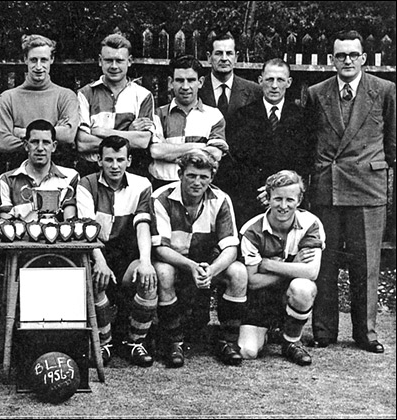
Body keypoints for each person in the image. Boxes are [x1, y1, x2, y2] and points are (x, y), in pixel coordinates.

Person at [307, 30, 396, 354]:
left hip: (367, 187)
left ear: (363, 58)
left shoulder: (385, 91)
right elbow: (309, 141)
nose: (346, 60)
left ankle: (366, 333)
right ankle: (324, 330)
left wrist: (376, 167)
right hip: (328, 188)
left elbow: (392, 142)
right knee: (325, 262)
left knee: (367, 265)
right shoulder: (317, 93)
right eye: (340, 55)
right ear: (332, 59)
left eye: (352, 55)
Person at [151, 149, 247, 368]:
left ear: (211, 178)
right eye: (191, 175)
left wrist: (211, 270)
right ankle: (173, 342)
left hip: (206, 265)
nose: (197, 182)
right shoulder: (161, 198)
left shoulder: (221, 199)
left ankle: (228, 341)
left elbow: (231, 247)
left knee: (238, 272)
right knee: (163, 272)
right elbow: (160, 249)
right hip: (176, 261)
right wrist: (191, 266)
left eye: (203, 177)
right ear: (180, 173)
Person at [76, 135, 157, 367]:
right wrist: (99, 261)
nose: (114, 166)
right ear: (98, 160)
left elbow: (143, 225)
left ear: (129, 161)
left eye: (120, 160)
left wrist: (145, 261)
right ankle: (104, 343)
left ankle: (134, 342)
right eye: (109, 160)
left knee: (147, 278)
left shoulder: (142, 184)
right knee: (96, 278)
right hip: (97, 249)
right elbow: (87, 228)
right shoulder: (86, 183)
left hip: (126, 251)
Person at [238, 170, 325, 366]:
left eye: (289, 200)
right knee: (247, 351)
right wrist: (294, 266)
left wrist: (270, 265)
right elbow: (252, 281)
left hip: (288, 292)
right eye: (277, 199)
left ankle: (291, 342)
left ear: (299, 200)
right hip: (259, 300)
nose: (283, 206)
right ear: (268, 199)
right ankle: (269, 331)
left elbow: (311, 272)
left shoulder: (311, 223)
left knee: (303, 287)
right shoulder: (251, 230)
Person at [215, 58, 313, 227]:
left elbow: (305, 162)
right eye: (269, 79)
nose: (274, 86)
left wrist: (277, 192)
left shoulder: (302, 118)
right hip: (251, 201)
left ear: (288, 82)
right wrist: (262, 192)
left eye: (280, 80)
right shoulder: (242, 116)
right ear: (260, 81)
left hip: (289, 201)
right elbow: (235, 163)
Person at [0, 34, 79, 171]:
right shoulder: (7, 98)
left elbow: (68, 135)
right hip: (17, 172)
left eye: (44, 60)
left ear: (51, 59)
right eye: (34, 60)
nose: (39, 67)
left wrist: (21, 132)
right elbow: (4, 143)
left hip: (59, 172)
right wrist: (51, 134)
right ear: (25, 60)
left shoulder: (65, 96)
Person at [75, 34, 155, 177]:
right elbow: (82, 143)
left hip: (130, 171)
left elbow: (143, 142)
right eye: (108, 60)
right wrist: (128, 134)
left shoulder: (143, 95)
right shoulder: (85, 94)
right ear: (100, 61)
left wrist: (101, 132)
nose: (114, 66)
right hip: (91, 170)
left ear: (129, 61)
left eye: (119, 61)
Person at [149, 55, 227, 191]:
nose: (185, 87)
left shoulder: (214, 115)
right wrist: (200, 146)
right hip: (162, 185)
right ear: (170, 82)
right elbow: (156, 151)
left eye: (191, 80)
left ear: (201, 82)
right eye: (179, 80)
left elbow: (215, 154)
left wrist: (170, 150)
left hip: (199, 187)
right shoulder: (157, 114)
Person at [0, 119, 79, 222]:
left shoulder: (71, 177)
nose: (40, 148)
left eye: (46, 142)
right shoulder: (7, 180)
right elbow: (5, 225)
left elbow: (70, 223)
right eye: (35, 142)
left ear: (53, 146)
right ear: (26, 146)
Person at [198, 33, 262, 120]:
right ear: (209, 57)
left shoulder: (254, 91)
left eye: (229, 53)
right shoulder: (197, 88)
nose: (224, 58)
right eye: (218, 53)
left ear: (236, 57)